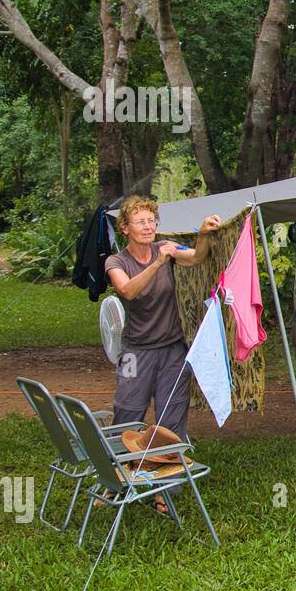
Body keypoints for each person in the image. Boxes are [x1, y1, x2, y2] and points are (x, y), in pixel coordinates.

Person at [105, 197, 223, 460]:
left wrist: (202, 234)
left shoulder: (165, 248)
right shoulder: (116, 262)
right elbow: (128, 291)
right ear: (125, 228)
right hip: (135, 352)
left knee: (172, 418)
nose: (148, 227)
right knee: (127, 411)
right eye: (140, 222)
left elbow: (195, 258)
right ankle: (118, 478)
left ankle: (164, 489)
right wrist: (157, 263)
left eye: (151, 221)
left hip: (172, 350)